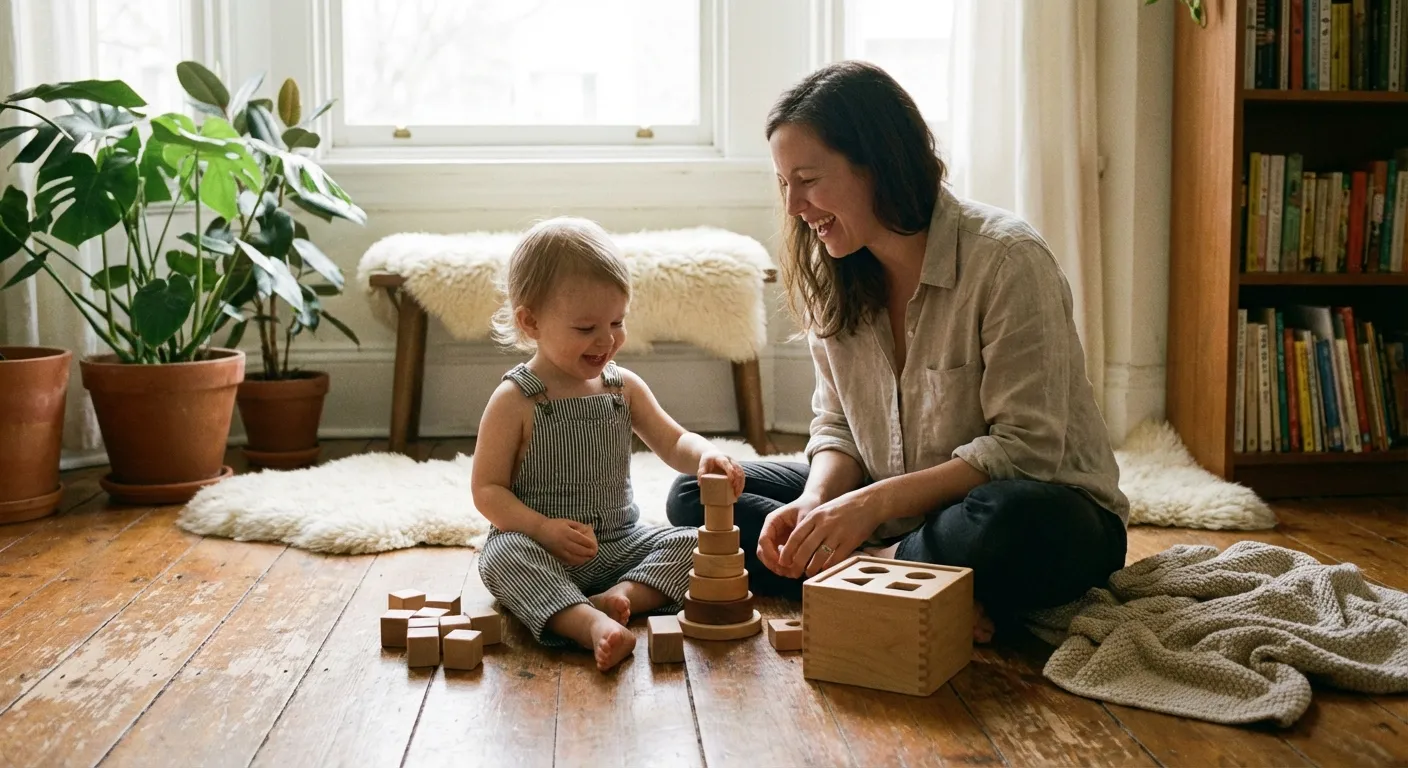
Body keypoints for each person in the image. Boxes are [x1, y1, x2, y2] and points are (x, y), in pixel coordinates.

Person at [665, 61, 1129, 641]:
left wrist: (866, 509)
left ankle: (867, 570)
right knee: (700, 497)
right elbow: (837, 426)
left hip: (1035, 506)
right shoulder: (834, 270)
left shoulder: (1007, 260)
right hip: (898, 512)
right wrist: (816, 502)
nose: (794, 207)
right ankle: (900, 576)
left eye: (807, 179)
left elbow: (1026, 449)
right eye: (784, 184)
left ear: (877, 164)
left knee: (1009, 523)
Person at [472, 216, 745, 671]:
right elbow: (487, 490)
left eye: (617, 321)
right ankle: (589, 624)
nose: (607, 339)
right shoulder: (515, 399)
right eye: (586, 328)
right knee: (502, 557)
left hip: (621, 543)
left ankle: (622, 596)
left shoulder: (623, 388)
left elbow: (674, 441)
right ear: (530, 322)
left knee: (697, 544)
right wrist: (541, 529)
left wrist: (706, 455)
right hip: (542, 547)